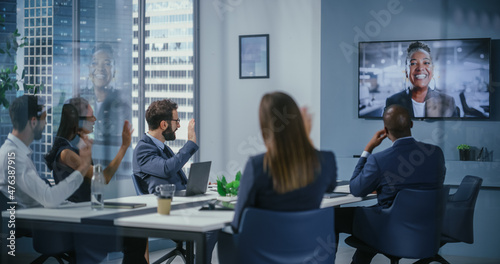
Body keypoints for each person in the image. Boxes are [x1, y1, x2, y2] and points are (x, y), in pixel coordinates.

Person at [335, 104, 446, 264]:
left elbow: (355, 189)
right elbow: (430, 185)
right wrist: (386, 188)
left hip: (389, 227)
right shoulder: (436, 153)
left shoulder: (379, 160)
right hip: (427, 225)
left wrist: (368, 149)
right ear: (411, 124)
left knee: (331, 217)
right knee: (370, 221)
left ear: (385, 131)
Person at [231, 91, 338, 231]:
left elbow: (238, 224)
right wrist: (306, 139)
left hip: (261, 251)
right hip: (307, 249)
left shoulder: (257, 166)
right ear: (299, 121)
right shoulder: (326, 160)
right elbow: (330, 187)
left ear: (265, 126)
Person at [0, 95, 92, 208]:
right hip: (37, 222)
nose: (46, 124)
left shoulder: (15, 153)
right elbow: (49, 199)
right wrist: (83, 167)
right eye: (44, 118)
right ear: (33, 122)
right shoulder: (14, 157)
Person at [44, 97, 133, 203]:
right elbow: (103, 179)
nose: (94, 119)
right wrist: (123, 147)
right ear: (78, 121)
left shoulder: (76, 148)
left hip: (83, 209)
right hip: (74, 213)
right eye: (90, 116)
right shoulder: (67, 154)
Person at [133, 99, 198, 193]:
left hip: (178, 199)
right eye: (176, 121)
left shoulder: (164, 148)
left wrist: (195, 186)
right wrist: (190, 143)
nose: (178, 126)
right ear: (163, 124)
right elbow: (166, 169)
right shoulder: (142, 149)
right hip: (163, 204)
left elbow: (176, 177)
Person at [385, 41, 458, 118]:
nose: (420, 68)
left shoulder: (447, 102)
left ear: (432, 71)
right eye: (413, 63)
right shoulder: (393, 102)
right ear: (406, 72)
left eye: (426, 63)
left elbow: (453, 129)